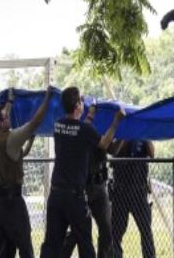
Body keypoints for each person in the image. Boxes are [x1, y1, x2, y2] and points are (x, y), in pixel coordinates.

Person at [40, 86, 125, 258]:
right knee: (85, 245)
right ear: (78, 105)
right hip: (74, 197)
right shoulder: (84, 130)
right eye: (80, 101)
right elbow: (103, 144)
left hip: (56, 195)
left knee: (51, 245)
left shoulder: (58, 126)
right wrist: (116, 121)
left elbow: (77, 129)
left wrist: (89, 113)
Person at [0, 86, 52, 258]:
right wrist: (47, 99)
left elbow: (2, 114)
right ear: (1, 123)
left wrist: (10, 101)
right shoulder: (11, 138)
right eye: (6, 118)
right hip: (12, 202)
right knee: (25, 244)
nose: (9, 118)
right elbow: (34, 122)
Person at [60, 103, 117, 258]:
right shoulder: (80, 131)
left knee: (106, 230)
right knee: (76, 232)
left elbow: (112, 148)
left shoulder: (102, 132)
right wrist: (113, 122)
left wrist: (121, 131)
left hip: (99, 187)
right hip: (82, 188)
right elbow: (81, 130)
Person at [110, 139, 156, 258]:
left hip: (139, 191)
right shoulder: (118, 131)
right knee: (116, 232)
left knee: (146, 231)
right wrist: (126, 134)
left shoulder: (142, 135)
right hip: (120, 190)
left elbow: (152, 154)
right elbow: (114, 152)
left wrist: (144, 135)